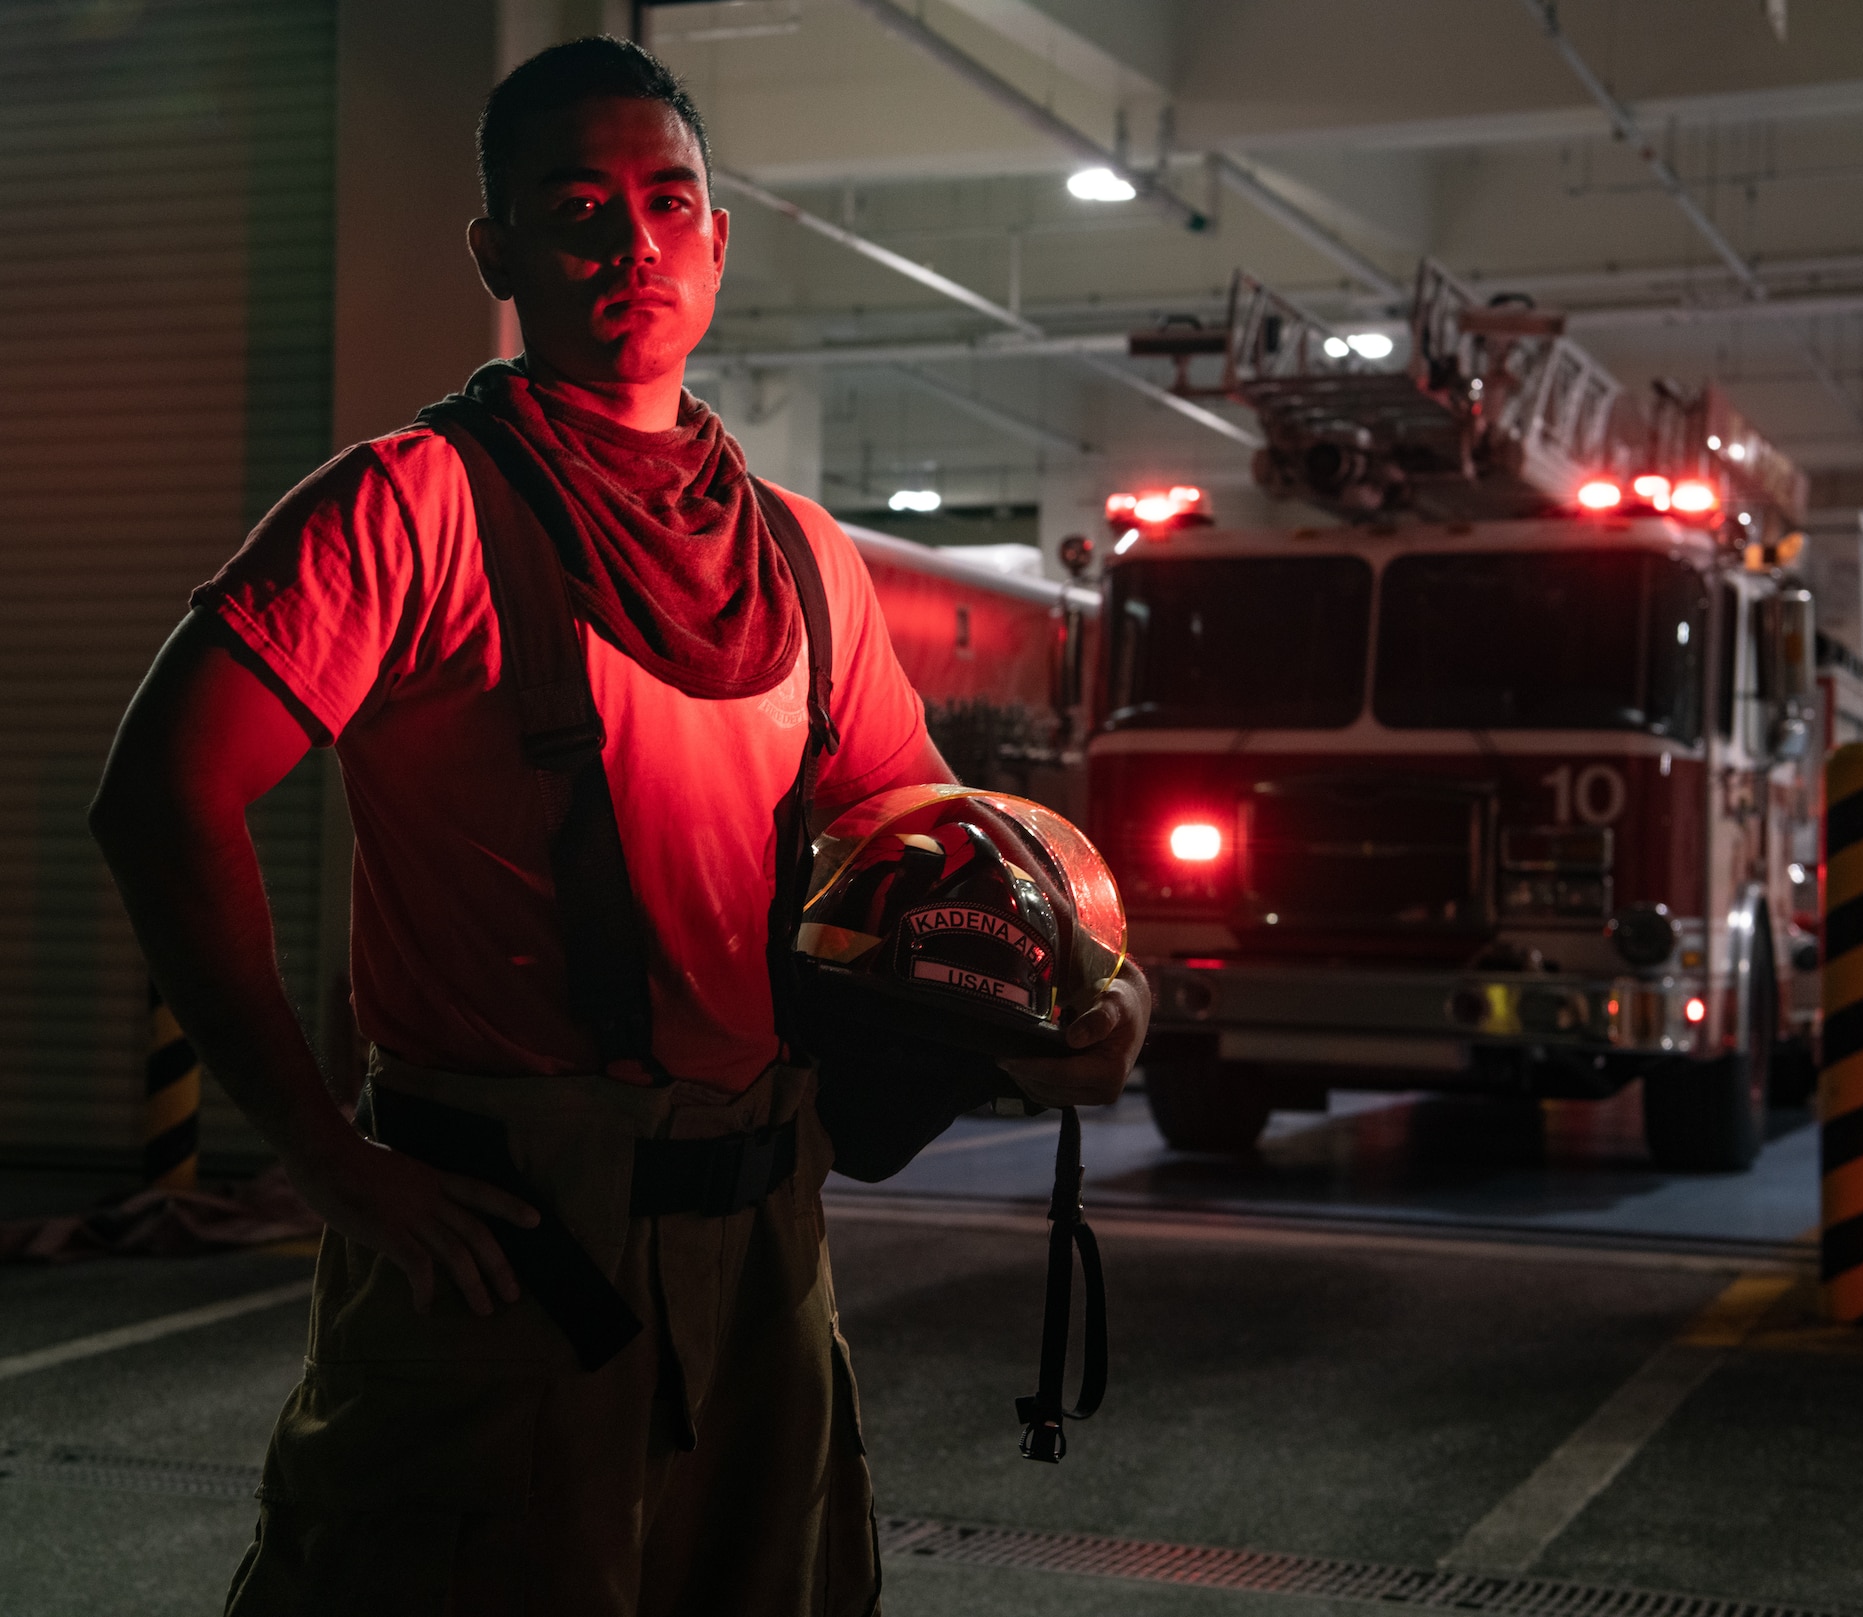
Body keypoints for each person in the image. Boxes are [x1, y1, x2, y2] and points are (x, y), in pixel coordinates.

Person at [89, 36, 1148, 1616]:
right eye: (577, 206)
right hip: (506, 1253)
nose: (629, 243)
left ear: (718, 241)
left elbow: (919, 841)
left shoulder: (804, 556)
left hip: (768, 1255)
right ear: (497, 251)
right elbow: (159, 796)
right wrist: (326, 1159)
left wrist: (1085, 991)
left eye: (668, 201)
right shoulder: (410, 505)